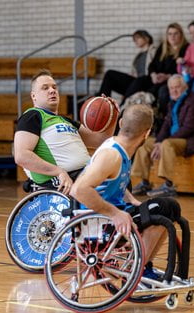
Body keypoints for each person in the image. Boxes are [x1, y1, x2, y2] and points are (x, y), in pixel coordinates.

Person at [70, 103, 183, 278]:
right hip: (98, 225)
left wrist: (132, 200)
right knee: (164, 207)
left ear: (121, 123)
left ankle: (144, 268)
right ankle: (138, 272)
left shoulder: (120, 148)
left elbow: (113, 183)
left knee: (170, 209)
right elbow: (78, 190)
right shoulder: (111, 155)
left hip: (110, 216)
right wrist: (114, 213)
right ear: (147, 133)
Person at [14, 69, 118, 195]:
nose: (52, 90)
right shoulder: (32, 116)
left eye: (54, 87)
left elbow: (101, 141)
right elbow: (21, 156)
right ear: (33, 96)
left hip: (83, 173)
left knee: (119, 172)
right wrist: (58, 172)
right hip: (60, 178)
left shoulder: (65, 120)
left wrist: (113, 115)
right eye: (45, 88)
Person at [131, 74, 194, 197]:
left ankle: (169, 185)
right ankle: (144, 182)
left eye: (177, 87)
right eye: (171, 88)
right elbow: (166, 125)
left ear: (185, 87)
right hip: (175, 139)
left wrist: (164, 142)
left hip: (193, 141)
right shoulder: (172, 102)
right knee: (145, 142)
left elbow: (189, 128)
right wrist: (158, 142)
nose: (174, 90)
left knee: (167, 144)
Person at [124, 23, 189, 109]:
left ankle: (157, 115)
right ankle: (123, 106)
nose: (172, 36)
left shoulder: (186, 48)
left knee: (160, 90)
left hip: (171, 80)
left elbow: (184, 71)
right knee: (139, 81)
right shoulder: (163, 47)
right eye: (170, 34)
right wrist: (153, 74)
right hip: (157, 78)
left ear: (181, 35)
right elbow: (152, 65)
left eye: (175, 33)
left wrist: (167, 76)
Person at [97, 30, 156, 98]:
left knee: (109, 73)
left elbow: (155, 67)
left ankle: (102, 102)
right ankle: (103, 101)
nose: (135, 41)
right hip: (135, 82)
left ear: (146, 38)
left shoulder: (154, 51)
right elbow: (134, 72)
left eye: (138, 38)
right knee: (109, 79)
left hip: (146, 82)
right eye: (134, 39)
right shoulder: (138, 55)